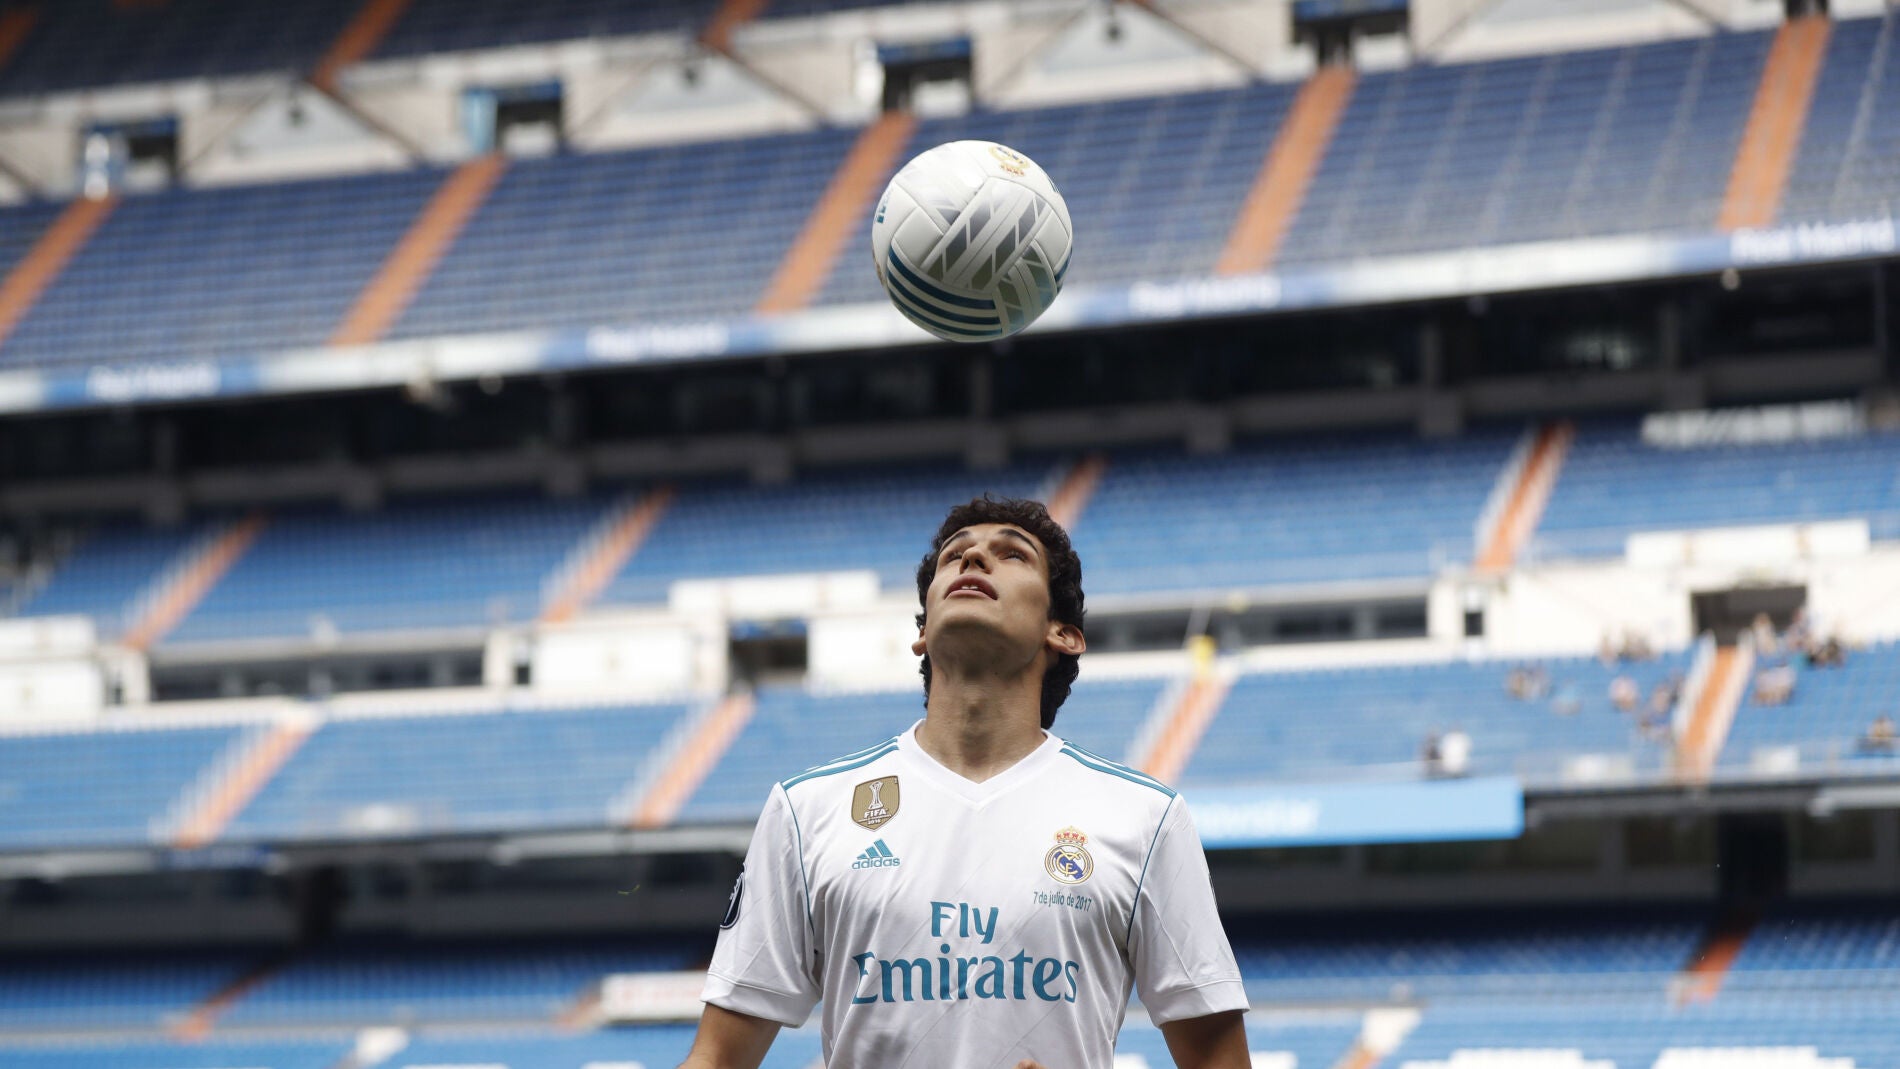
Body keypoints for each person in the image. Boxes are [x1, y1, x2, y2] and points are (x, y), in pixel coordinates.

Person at [680, 497, 1250, 1069]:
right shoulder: (806, 812)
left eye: (1012, 554)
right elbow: (715, 1061)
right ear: (923, 632)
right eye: (956, 555)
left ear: (1064, 634)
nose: (974, 556)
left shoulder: (1145, 819)